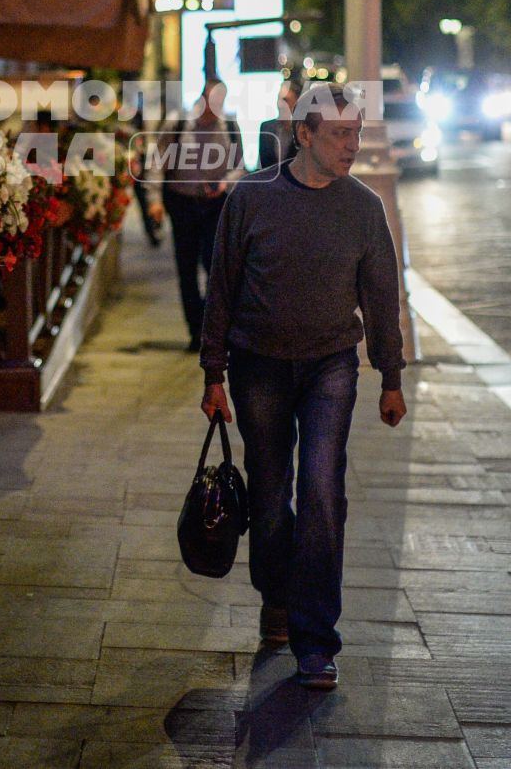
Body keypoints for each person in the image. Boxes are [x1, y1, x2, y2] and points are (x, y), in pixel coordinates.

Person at [198, 81, 408, 691]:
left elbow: (381, 299)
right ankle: (277, 596)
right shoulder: (251, 199)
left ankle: (316, 640)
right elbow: (224, 290)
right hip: (256, 363)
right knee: (268, 496)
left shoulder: (364, 208)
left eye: (357, 133)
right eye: (340, 134)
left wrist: (390, 378)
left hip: (329, 366)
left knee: (321, 490)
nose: (352, 145)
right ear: (304, 134)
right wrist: (214, 373)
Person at [157, 78, 243, 350]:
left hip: (214, 205)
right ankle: (196, 330)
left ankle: (211, 327)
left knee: (214, 266)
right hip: (182, 202)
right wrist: (153, 201)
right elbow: (156, 162)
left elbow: (239, 166)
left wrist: (224, 183)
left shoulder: (229, 126)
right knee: (186, 267)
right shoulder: (179, 123)